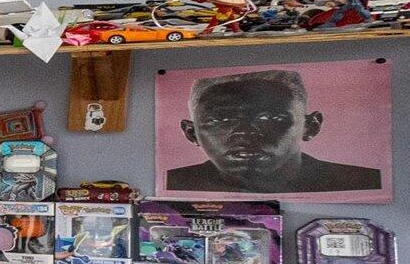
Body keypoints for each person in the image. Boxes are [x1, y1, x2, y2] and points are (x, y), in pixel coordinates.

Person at [163, 67, 382, 194]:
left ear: (310, 126)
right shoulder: (174, 183)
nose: (244, 132)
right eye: (222, 119)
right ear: (191, 133)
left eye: (269, 118)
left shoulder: (362, 182)